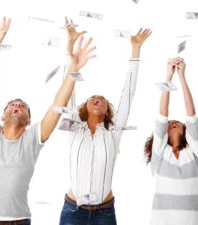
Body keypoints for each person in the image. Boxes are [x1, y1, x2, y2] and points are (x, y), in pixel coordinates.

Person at [0, 16, 96, 225]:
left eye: (23, 107)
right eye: (12, 104)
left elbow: (58, 104)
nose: (17, 106)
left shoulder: (32, 140)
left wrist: (74, 68)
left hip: (19, 221)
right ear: (1, 116)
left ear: (28, 121)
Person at [58, 21, 152, 225]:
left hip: (104, 214)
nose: (97, 98)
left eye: (102, 98)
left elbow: (129, 93)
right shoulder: (74, 127)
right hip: (73, 212)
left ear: (108, 110)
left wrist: (135, 49)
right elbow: (68, 91)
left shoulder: (113, 131)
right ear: (84, 106)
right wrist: (70, 50)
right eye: (93, 97)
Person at [144, 57, 198, 225]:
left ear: (186, 131)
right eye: (169, 124)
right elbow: (162, 114)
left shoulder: (193, 154)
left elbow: (191, 115)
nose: (173, 123)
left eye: (177, 122)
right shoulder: (159, 156)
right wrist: (168, 77)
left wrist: (182, 76)